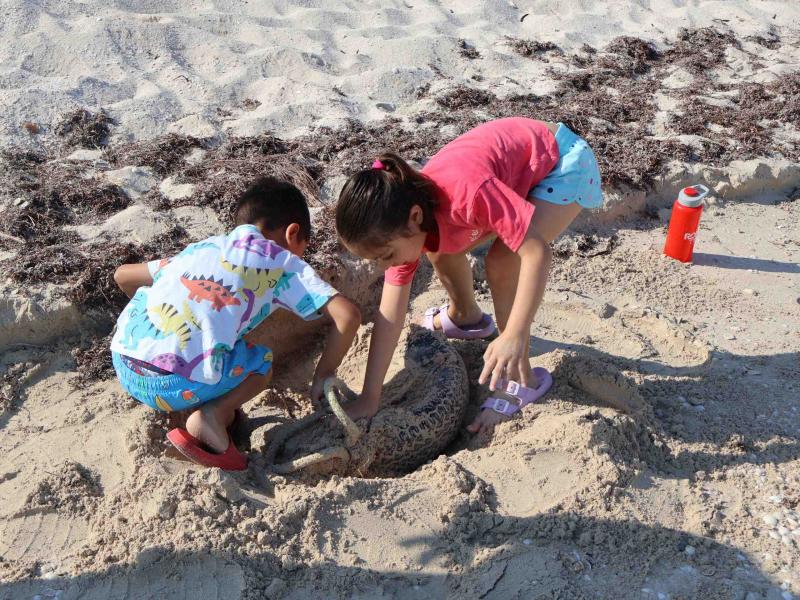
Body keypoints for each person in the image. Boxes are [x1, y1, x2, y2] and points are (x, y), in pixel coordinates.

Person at [335, 117, 602, 434]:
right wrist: (370, 397)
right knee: (438, 244)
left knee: (503, 260)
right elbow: (389, 314)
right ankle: (466, 317)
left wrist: (514, 335)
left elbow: (536, 253)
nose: (384, 265)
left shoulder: (467, 194)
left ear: (414, 217)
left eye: (386, 256)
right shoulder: (407, 219)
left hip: (560, 162)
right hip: (511, 172)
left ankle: (522, 379)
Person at [111, 177, 361, 469]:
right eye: (303, 249)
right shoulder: (282, 263)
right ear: (293, 234)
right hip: (174, 384)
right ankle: (212, 416)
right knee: (260, 362)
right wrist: (323, 374)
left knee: (211, 342)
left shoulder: (201, 248)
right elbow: (349, 316)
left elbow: (122, 275)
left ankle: (204, 399)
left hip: (125, 364)